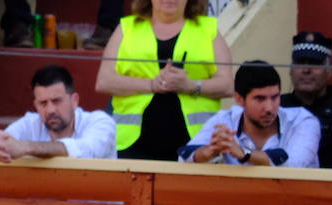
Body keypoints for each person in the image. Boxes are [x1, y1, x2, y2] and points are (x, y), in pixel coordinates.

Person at [94, 0, 232, 161]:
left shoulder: (208, 29)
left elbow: (227, 84)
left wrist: (191, 86)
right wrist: (151, 84)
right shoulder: (127, 27)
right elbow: (104, 81)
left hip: (196, 146)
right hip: (130, 145)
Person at [180, 60, 320, 169]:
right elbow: (183, 159)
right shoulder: (225, 120)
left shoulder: (303, 121)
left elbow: (294, 164)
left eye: (275, 97)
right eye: (260, 99)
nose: (269, 108)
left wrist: (245, 154)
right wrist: (210, 151)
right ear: (239, 99)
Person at [0, 64, 116, 161]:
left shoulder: (100, 122)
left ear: (74, 100)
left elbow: (85, 151)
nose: (50, 110)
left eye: (57, 101)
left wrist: (25, 147)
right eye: (43, 103)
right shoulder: (31, 122)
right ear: (35, 105)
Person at [282, 31, 332, 169]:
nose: (306, 70)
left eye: (314, 63)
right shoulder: (278, 107)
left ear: (329, 71)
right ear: (291, 70)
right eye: (300, 63)